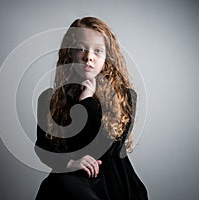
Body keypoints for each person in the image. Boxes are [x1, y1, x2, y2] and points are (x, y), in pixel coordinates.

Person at [34, 17, 148, 200]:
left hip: (114, 185)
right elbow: (43, 148)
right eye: (81, 48)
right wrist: (71, 162)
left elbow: (105, 147)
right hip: (70, 180)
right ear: (70, 53)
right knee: (59, 185)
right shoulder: (49, 99)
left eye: (98, 51)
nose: (89, 57)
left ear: (106, 57)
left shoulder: (124, 96)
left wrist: (87, 101)